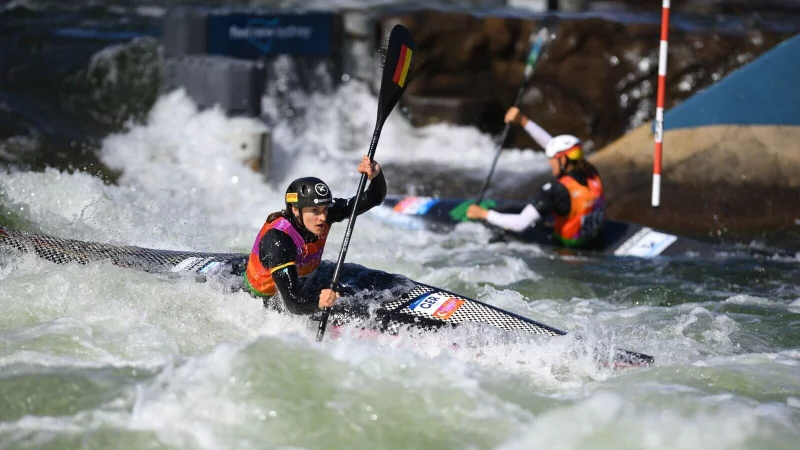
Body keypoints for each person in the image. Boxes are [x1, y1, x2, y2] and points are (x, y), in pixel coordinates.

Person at [244, 155, 386, 314]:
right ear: (295, 209)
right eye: (315, 211)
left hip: (303, 279)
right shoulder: (279, 241)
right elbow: (291, 302)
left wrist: (376, 176)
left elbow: (373, 198)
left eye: (325, 209)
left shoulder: (324, 215)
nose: (323, 217)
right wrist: (318, 302)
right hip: (267, 301)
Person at [466, 107, 605, 248]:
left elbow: (521, 223)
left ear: (563, 161)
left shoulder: (556, 190)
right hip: (590, 240)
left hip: (565, 251)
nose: (549, 162)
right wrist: (523, 121)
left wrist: (484, 214)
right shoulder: (591, 173)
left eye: (551, 158)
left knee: (501, 234)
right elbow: (552, 145)